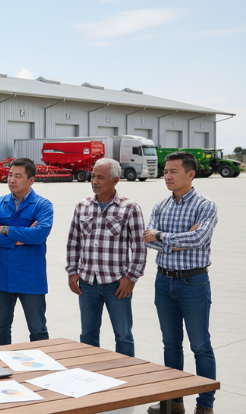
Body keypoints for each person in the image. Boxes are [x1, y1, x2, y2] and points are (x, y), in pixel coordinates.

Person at [144, 151, 218, 414]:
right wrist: (177, 239)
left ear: (190, 174)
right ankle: (174, 402)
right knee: (171, 344)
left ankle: (205, 405)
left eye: (173, 171)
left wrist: (162, 236)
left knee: (200, 345)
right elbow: (148, 240)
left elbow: (198, 239)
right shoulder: (160, 206)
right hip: (163, 282)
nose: (167, 176)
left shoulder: (205, 205)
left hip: (193, 282)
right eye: (165, 172)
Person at [65, 158, 146, 358]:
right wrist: (72, 272)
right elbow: (74, 242)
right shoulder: (82, 206)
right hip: (87, 284)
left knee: (123, 335)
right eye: (93, 176)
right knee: (88, 334)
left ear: (115, 180)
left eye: (100, 177)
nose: (94, 181)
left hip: (117, 284)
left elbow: (139, 247)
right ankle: (91, 372)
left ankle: (125, 374)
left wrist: (131, 278)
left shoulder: (130, 208)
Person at [0, 157, 53, 346]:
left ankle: (41, 364)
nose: (12, 180)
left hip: (31, 277)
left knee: (37, 329)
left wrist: (5, 229)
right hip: (1, 275)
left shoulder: (43, 205)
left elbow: (39, 235)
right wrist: (22, 238)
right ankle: (0, 362)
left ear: (31, 180)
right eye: (10, 175)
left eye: (18, 176)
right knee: (0, 328)